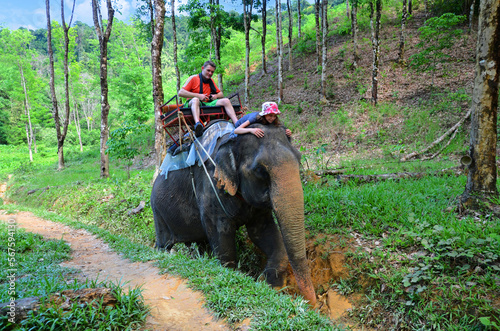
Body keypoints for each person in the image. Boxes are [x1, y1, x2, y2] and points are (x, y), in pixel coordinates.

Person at [178, 60, 238, 137]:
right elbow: (181, 93)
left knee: (226, 100)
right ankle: (197, 124)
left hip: (207, 103)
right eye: (208, 70)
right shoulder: (193, 78)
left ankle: (237, 123)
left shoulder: (210, 81)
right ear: (202, 68)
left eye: (212, 72)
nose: (210, 73)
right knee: (196, 100)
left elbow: (221, 94)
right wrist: (198, 96)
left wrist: (215, 96)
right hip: (193, 103)